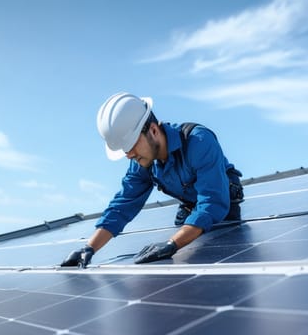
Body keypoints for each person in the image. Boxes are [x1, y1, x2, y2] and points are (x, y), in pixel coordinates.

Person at [60, 92, 244, 267]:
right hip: (191, 205)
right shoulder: (142, 161)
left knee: (221, 244)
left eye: (131, 145)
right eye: (125, 150)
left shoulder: (198, 142)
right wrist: (89, 247)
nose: (129, 155)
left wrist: (172, 244)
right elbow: (123, 204)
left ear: (154, 130)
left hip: (223, 199)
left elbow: (212, 202)